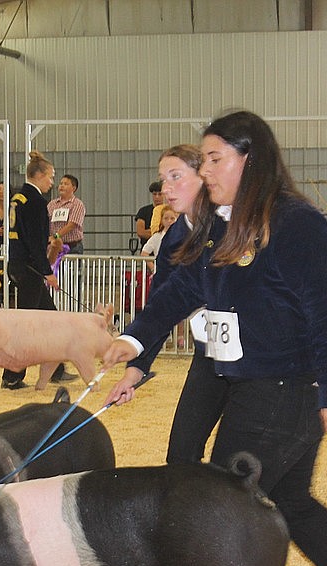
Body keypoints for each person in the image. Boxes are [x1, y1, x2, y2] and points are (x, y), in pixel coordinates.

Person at [104, 111, 327, 566]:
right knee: (291, 505)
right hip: (249, 384)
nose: (206, 168)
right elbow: (181, 291)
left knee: (222, 505)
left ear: (251, 158)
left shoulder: (294, 223)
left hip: (287, 388)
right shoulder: (222, 223)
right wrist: (134, 340)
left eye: (216, 158)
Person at [107, 143, 223, 467]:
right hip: (211, 353)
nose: (165, 189)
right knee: (181, 456)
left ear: (204, 177)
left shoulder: (233, 225)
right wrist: (134, 369)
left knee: (237, 461)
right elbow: (162, 303)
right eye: (162, 179)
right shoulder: (174, 238)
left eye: (175, 177)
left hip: (261, 362)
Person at [1, 150, 72, 390]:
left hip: (20, 264)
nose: (52, 182)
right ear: (39, 175)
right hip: (30, 268)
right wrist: (47, 271)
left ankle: (56, 369)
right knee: (27, 325)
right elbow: (33, 240)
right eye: (50, 176)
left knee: (50, 319)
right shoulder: (35, 201)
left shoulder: (18, 198)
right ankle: (11, 375)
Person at [47, 174, 85, 255]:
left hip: (73, 247)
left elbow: (72, 225)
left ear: (73, 188)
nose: (62, 186)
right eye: (61, 183)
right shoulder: (52, 204)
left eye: (66, 184)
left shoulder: (77, 204)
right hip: (54, 246)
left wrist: (56, 236)